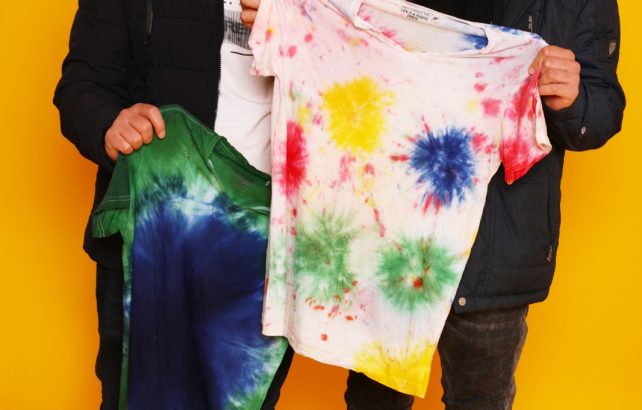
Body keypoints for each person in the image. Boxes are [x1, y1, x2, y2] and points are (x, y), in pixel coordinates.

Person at [239, 0, 625, 408]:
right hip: (391, 246)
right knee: (374, 404)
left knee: (479, 402)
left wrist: (573, 99)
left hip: (497, 260)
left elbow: (603, 111)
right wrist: (293, 14)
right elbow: (347, 28)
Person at [53, 0, 293, 408]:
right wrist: (108, 124)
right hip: (150, 239)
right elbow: (81, 86)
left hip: (269, 247)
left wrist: (308, 31)